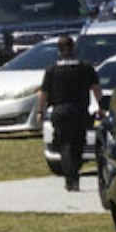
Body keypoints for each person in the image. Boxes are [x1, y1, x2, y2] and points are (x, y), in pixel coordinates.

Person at [35, 35, 102, 193]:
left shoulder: (52, 70)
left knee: (65, 145)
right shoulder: (85, 67)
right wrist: (102, 106)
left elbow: (43, 93)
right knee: (78, 143)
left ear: (59, 51)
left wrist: (40, 110)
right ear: (74, 49)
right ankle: (73, 175)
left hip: (61, 111)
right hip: (79, 111)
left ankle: (71, 178)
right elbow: (96, 89)